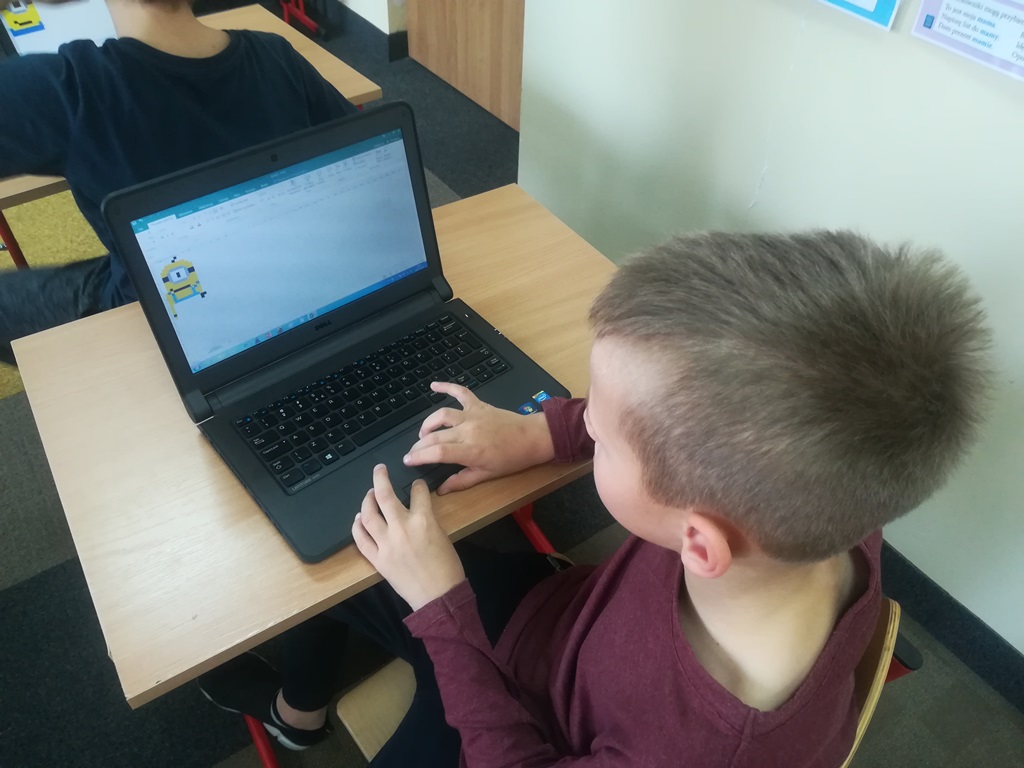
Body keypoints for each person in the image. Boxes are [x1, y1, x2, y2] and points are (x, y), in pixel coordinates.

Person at [199, 230, 992, 766]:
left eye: (603, 437)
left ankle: (297, 714)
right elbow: (673, 430)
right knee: (340, 541)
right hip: (556, 628)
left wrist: (444, 614)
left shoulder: (697, 748)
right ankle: (299, 716)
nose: (587, 426)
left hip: (521, 725)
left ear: (700, 544)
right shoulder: (830, 505)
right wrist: (544, 434)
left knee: (356, 559)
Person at [0, 0, 357, 365]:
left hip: (164, 312)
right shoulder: (276, 56)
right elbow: (367, 153)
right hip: (295, 282)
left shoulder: (67, 88)